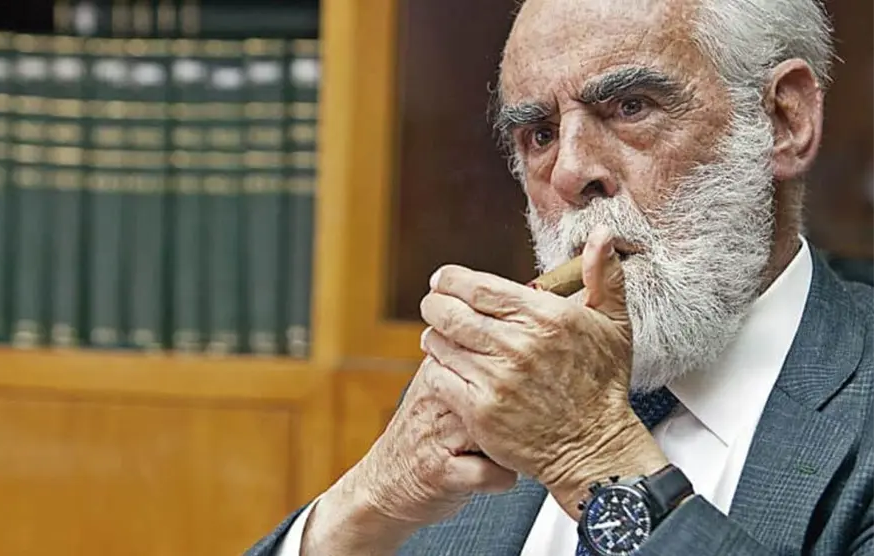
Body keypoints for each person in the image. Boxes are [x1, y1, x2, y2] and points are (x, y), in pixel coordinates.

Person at [247, 0, 874, 554]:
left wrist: (591, 455)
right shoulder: (495, 387)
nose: (571, 173)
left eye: (630, 107)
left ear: (783, 120)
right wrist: (367, 503)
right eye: (540, 134)